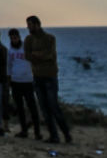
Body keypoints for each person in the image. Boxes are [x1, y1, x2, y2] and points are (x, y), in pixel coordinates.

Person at [24, 15, 72, 144]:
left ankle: (66, 134)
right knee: (44, 109)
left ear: (37, 25)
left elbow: (49, 55)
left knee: (54, 106)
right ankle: (54, 136)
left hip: (50, 76)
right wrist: (39, 55)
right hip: (37, 77)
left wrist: (36, 55)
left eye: (30, 24)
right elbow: (27, 56)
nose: (28, 27)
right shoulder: (28, 40)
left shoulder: (50, 38)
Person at [7, 28, 42, 139]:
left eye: (15, 37)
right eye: (12, 38)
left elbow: (34, 60)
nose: (14, 39)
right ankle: (24, 131)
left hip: (27, 81)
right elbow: (8, 66)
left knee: (32, 107)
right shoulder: (10, 51)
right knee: (20, 108)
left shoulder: (26, 48)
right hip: (15, 81)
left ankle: (37, 132)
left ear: (19, 37)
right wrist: (8, 81)